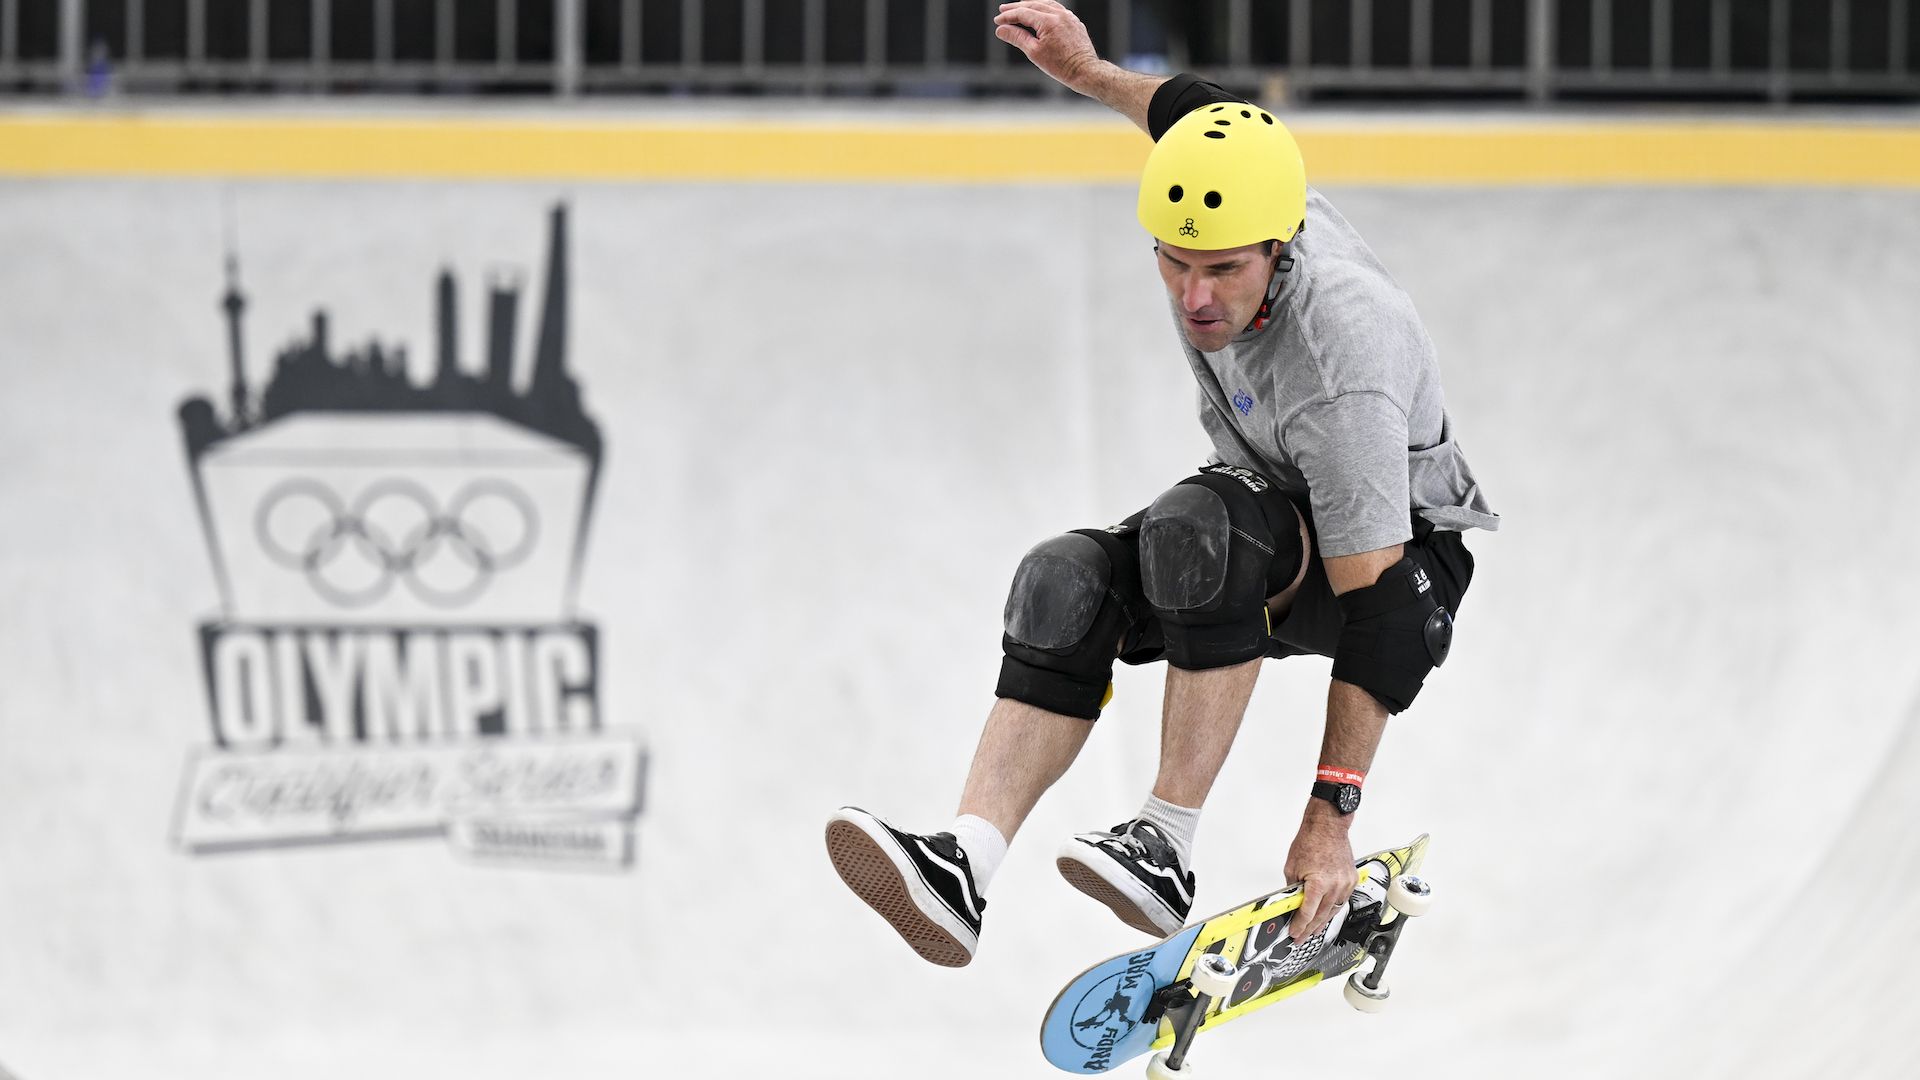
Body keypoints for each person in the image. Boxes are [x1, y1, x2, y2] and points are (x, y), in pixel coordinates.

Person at [824, 0, 1499, 969]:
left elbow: (1384, 614)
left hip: (1403, 567)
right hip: (1277, 511)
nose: (1196, 299)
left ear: (1282, 245)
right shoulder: (1228, 179)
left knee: (1201, 527)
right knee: (1065, 581)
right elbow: (1192, 109)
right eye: (1175, 265)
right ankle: (962, 865)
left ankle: (1166, 843)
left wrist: (1331, 819)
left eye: (1225, 272)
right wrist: (1090, 72)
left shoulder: (1342, 352)